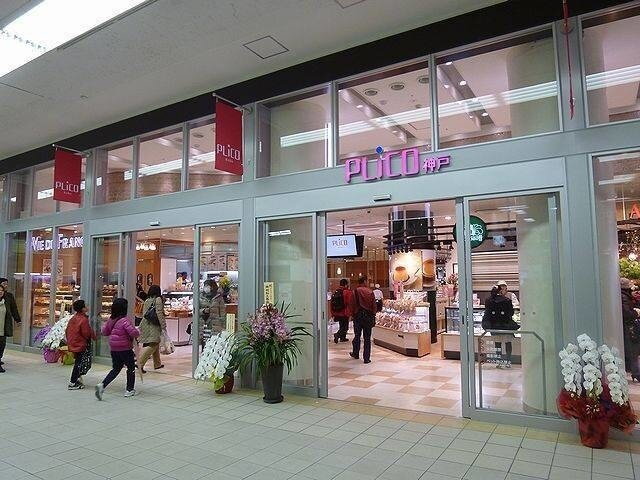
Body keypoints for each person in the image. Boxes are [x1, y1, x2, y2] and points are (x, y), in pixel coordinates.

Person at [95, 298, 139, 400]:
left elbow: (105, 332)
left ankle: (102, 385)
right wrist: (138, 332)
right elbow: (133, 333)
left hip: (114, 348)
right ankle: (129, 389)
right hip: (125, 348)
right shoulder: (125, 320)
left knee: (116, 369)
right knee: (131, 368)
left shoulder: (111, 320)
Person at [482, 285, 517, 369]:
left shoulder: (488, 300)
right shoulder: (507, 300)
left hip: (494, 325)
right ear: (500, 291)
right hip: (506, 325)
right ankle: (508, 362)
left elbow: (487, 312)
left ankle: (499, 362)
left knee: (497, 344)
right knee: (508, 343)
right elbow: (511, 313)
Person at [66, 299, 96, 389]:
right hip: (80, 344)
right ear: (82, 309)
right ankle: (73, 382)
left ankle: (77, 378)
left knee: (78, 362)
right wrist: (93, 337)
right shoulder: (83, 320)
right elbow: (86, 333)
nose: (87, 307)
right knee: (79, 363)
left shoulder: (73, 318)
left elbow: (67, 330)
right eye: (85, 305)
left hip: (73, 342)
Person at [138, 285, 166, 375]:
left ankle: (157, 364)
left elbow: (144, 314)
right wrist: (163, 325)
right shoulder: (158, 299)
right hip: (154, 325)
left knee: (155, 343)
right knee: (154, 344)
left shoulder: (147, 300)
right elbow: (159, 313)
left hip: (146, 324)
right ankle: (140, 363)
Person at [350, 276, 376, 364]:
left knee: (357, 336)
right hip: (368, 317)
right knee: (367, 338)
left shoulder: (355, 291)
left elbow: (351, 304)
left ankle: (356, 353)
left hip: (357, 316)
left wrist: (353, 314)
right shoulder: (370, 292)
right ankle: (366, 358)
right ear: (364, 281)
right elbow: (374, 306)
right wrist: (373, 315)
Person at [621, 277, 640, 381]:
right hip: (628, 327)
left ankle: (635, 372)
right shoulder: (624, 297)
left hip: (626, 326)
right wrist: (636, 313)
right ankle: (637, 373)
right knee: (633, 350)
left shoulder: (622, 296)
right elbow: (627, 313)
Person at [0, 278, 22, 364]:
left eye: (6, 284)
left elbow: (13, 309)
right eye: (4, 284)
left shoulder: (9, 296)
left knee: (2, 343)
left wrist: (17, 319)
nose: (6, 286)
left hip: (4, 324)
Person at [199, 279, 226, 350]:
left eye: (208, 286)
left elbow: (222, 312)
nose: (206, 288)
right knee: (204, 344)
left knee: (213, 345)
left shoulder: (219, 298)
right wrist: (203, 311)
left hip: (215, 325)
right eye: (205, 286)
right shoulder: (200, 297)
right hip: (204, 324)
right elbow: (196, 311)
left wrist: (223, 326)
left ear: (212, 287)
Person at [330, 279, 353, 343]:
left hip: (337, 312)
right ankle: (337, 335)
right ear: (346, 285)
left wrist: (332, 313)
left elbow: (332, 303)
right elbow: (349, 302)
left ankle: (343, 338)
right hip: (344, 312)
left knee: (341, 325)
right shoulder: (346, 292)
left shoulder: (336, 291)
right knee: (345, 327)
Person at [0, 285, 16, 373]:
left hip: (3, 330)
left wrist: (17, 319)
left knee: (1, 347)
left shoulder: (6, 302)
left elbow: (13, 310)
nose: (0, 292)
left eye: (2, 290)